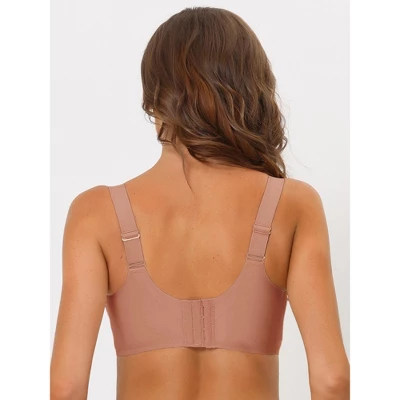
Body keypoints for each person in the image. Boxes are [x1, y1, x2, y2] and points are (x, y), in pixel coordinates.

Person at [50, 6, 349, 400]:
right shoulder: (293, 204)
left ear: (154, 98)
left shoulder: (95, 213)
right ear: (250, 91)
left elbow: (67, 387)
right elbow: (331, 379)